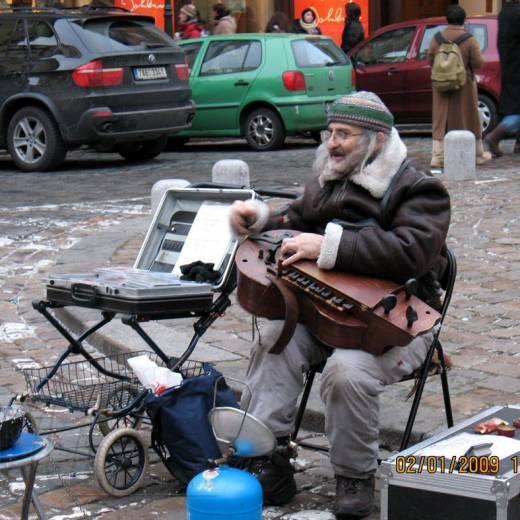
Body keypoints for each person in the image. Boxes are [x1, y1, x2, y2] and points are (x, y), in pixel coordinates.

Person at [229, 91, 451, 518]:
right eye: (331, 132)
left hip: (399, 326)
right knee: (274, 337)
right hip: (327, 315)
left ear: (377, 140)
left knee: (346, 370)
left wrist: (329, 244)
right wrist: (257, 221)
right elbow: (293, 222)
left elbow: (411, 252)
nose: (332, 142)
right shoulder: (330, 181)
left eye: (344, 134)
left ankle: (354, 475)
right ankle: (266, 458)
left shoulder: (419, 189)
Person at [427, 5, 491, 168]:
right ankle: (476, 154)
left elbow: (430, 60)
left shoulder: (437, 38)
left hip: (440, 84)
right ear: (464, 19)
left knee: (440, 118)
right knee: (469, 117)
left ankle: (438, 156)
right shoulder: (468, 39)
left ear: (447, 20)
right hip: (464, 85)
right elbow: (478, 62)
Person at [484, 0, 520, 156]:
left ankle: (518, 145)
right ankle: (495, 136)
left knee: (515, 106)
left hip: (510, 66)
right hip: (517, 66)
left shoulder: (505, 13)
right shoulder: (517, 13)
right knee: (516, 112)